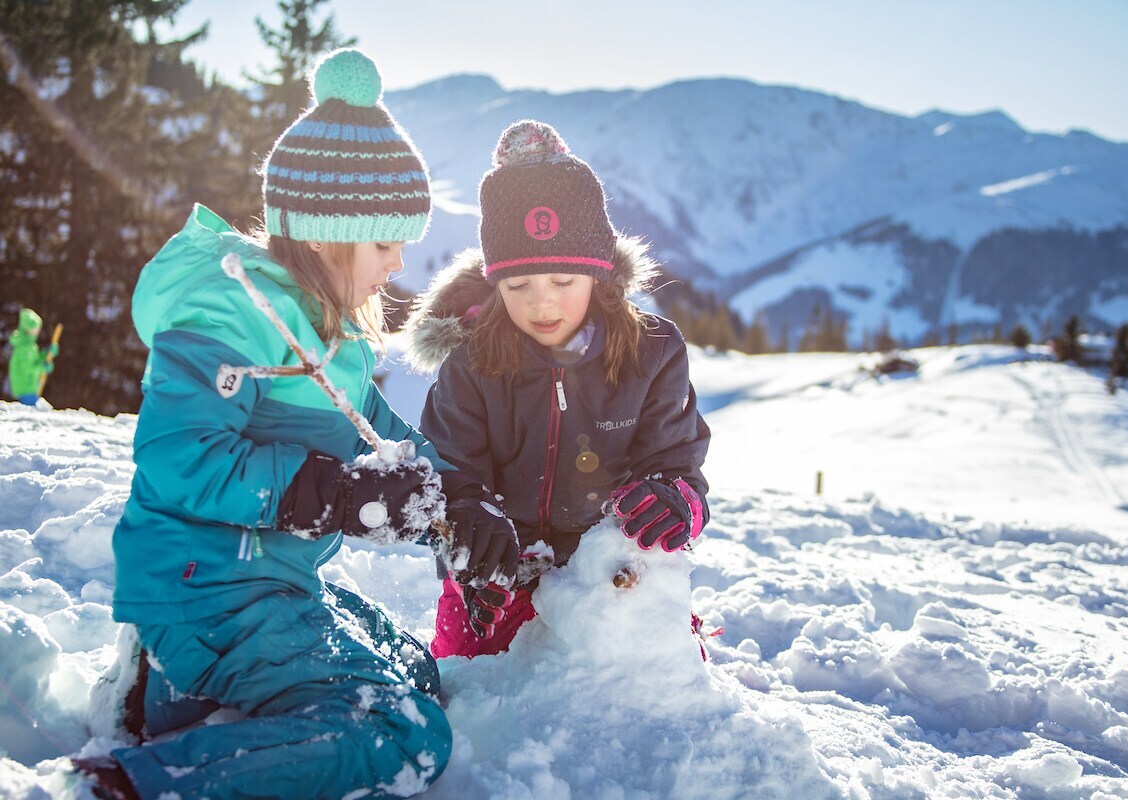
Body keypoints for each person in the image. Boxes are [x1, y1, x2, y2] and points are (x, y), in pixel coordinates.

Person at [65, 49, 517, 800]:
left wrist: (459, 499)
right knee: (405, 733)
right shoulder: (231, 314)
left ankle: (169, 694)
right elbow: (181, 457)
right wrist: (331, 495)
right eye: (384, 242)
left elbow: (396, 441)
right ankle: (139, 782)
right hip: (204, 592)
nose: (399, 262)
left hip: (265, 583)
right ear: (322, 233)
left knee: (413, 670)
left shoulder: (333, 340)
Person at [401, 119, 711, 659]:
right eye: (519, 286)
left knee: (654, 682)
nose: (542, 305)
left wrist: (674, 501)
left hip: (612, 568)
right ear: (496, 284)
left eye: (564, 282)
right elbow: (449, 472)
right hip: (499, 574)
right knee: (473, 684)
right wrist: (469, 529)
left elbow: (678, 465)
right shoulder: (471, 360)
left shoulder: (652, 351)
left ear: (599, 274)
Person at [6, 307, 58, 406]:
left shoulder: (30, 345)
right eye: (35, 328)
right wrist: (42, 367)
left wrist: (47, 353)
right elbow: (29, 368)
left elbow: (35, 361)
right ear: (27, 329)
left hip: (30, 386)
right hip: (25, 388)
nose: (38, 330)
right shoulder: (24, 348)